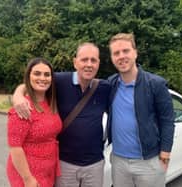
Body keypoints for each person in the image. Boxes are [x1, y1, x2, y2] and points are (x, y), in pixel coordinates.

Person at [12, 43, 111, 187]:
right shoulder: (59, 81)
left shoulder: (104, 87)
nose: (89, 64)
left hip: (94, 165)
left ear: (98, 64)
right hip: (64, 164)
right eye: (84, 60)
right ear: (75, 62)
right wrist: (18, 95)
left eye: (93, 60)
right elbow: (33, 83)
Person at [106, 33, 175, 187]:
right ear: (112, 58)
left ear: (135, 53)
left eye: (126, 51)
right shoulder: (110, 84)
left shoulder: (155, 84)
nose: (121, 56)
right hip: (119, 162)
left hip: (149, 162)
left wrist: (165, 152)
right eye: (116, 53)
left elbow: (167, 119)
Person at [6, 58, 62, 187]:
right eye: (37, 73)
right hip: (28, 174)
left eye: (47, 75)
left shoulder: (50, 103)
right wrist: (28, 179)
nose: (42, 78)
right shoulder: (22, 108)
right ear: (28, 76)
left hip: (48, 170)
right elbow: (15, 147)